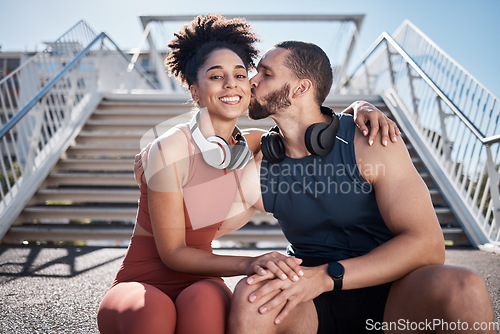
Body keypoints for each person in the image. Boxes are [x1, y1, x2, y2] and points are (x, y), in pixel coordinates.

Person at [97, 15, 398, 334]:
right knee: (152, 314)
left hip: (199, 279)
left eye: (240, 74)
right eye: (216, 76)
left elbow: (315, 124)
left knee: (205, 307)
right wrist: (249, 262)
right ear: (195, 91)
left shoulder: (252, 142)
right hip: (144, 278)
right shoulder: (169, 147)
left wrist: (361, 107)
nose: (232, 83)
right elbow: (172, 254)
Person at [226, 41, 496, 333]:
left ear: (300, 88)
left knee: (465, 287)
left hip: (391, 289)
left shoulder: (370, 140)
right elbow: (199, 233)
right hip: (307, 294)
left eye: (266, 74)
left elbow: (428, 245)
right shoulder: (259, 157)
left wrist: (326, 277)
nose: (251, 80)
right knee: (252, 297)